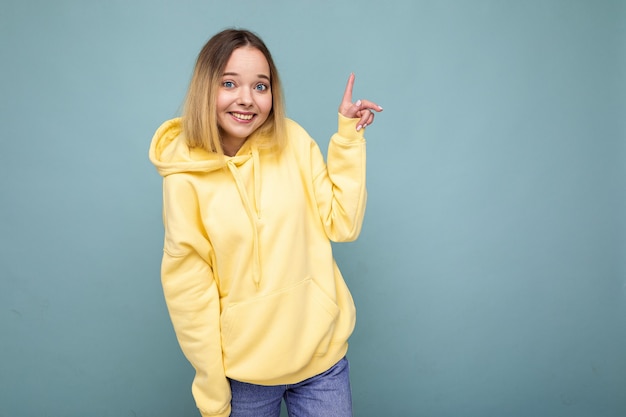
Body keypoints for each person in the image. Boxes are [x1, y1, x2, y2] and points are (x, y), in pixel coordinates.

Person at [149, 28, 382, 417]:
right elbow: (189, 293)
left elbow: (343, 223)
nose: (246, 99)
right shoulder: (184, 179)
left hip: (321, 361)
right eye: (229, 83)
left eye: (261, 85)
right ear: (205, 88)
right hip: (244, 376)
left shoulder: (293, 141)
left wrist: (347, 139)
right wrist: (212, 394)